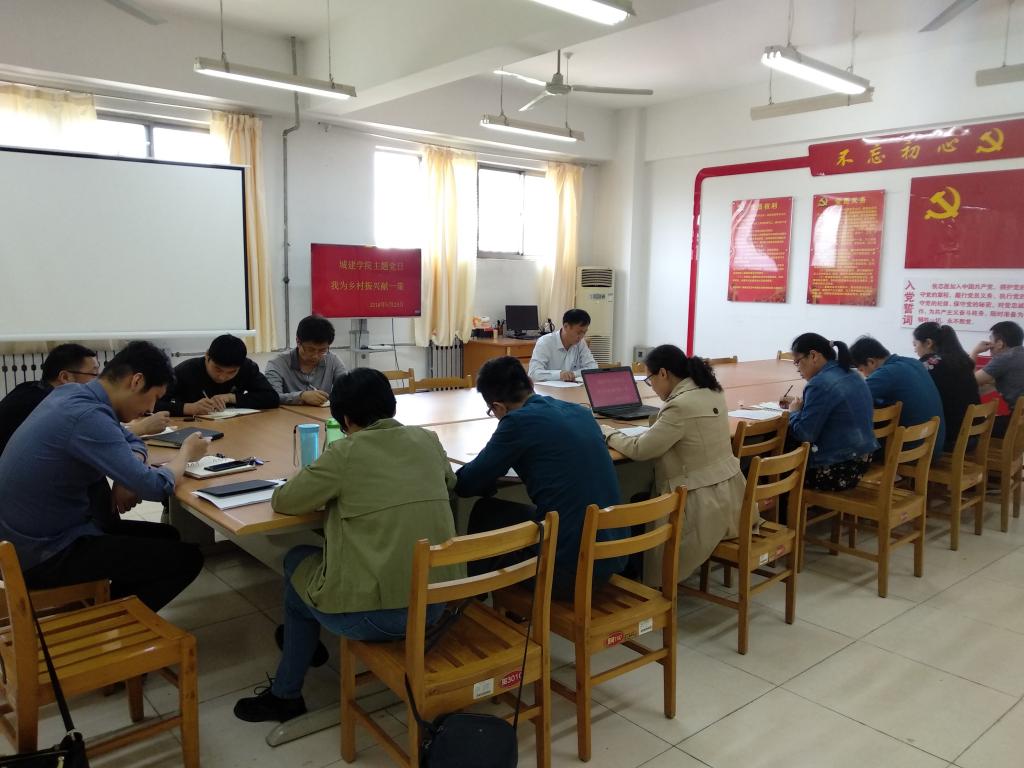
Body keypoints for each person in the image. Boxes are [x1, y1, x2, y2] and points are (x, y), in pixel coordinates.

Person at [233, 368, 461, 723]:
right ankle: (302, 644)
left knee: (296, 562)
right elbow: (450, 482)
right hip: (434, 605)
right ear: (392, 406)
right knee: (318, 571)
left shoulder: (345, 453)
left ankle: (286, 692)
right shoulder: (427, 440)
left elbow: (285, 500)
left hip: (373, 617)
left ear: (345, 419)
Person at [0, 341, 208, 611]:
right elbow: (155, 487)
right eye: (155, 396)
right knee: (187, 559)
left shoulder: (73, 393)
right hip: (43, 553)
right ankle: (108, 619)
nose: (151, 408)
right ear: (136, 381)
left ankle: (107, 606)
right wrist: (186, 453)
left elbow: (131, 439)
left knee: (167, 536)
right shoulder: (88, 416)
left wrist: (125, 475)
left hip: (30, 536)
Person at [454, 355, 626, 600]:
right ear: (531, 384)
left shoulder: (517, 422)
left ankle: (472, 603)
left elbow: (468, 484)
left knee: (485, 512)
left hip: (568, 572)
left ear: (498, 407)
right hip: (611, 558)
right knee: (530, 515)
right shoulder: (579, 412)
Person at [600, 345, 746, 581]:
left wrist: (608, 432)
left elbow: (640, 449)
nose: (652, 386)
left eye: (650, 380)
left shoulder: (679, 406)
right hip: (727, 494)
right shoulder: (711, 390)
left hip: (697, 501)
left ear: (663, 373)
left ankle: (634, 578)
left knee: (632, 502)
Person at [0, 343, 170, 455]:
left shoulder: (29, 388)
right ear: (65, 377)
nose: (101, 380)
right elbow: (97, 439)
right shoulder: (57, 406)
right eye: (94, 374)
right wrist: (141, 428)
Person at [782, 334, 878, 490]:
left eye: (797, 361)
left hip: (836, 468)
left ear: (813, 356)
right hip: (860, 460)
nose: (797, 368)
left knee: (770, 461)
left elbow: (805, 434)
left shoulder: (819, 383)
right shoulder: (852, 374)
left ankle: (779, 504)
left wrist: (794, 413)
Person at [849, 336, 946, 461]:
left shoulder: (886, 373)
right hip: (932, 446)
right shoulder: (914, 363)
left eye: (862, 370)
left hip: (910, 451)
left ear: (871, 362)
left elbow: (848, 400)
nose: (864, 375)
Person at [157, 334, 279, 417]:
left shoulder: (247, 367)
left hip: (235, 426)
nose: (222, 377)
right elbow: (153, 404)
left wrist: (231, 398)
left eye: (231, 372)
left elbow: (272, 398)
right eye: (217, 369)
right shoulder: (185, 371)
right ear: (207, 356)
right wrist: (189, 408)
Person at [912, 322, 980, 451]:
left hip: (950, 437)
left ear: (928, 343)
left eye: (915, 344)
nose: (915, 350)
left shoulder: (930, 364)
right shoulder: (962, 360)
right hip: (972, 434)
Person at [265, 315, 349, 406]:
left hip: (322, 414)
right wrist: (301, 396)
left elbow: (347, 390)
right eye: (310, 350)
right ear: (298, 342)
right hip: (287, 414)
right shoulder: (277, 364)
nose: (315, 356)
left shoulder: (333, 360)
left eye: (322, 350)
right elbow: (271, 397)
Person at [972, 320, 1024, 438]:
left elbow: (970, 382)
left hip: (1017, 422)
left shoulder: (1005, 358)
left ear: (1000, 343)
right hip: (1020, 418)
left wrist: (975, 352)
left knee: (975, 426)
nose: (989, 347)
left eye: (990, 341)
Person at [528, 308, 598, 382]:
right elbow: (533, 373)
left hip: (573, 387)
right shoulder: (545, 342)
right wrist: (559, 374)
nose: (581, 336)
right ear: (566, 326)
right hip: (549, 388)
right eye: (579, 332)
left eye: (584, 332)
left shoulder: (580, 343)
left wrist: (573, 374)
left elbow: (593, 368)